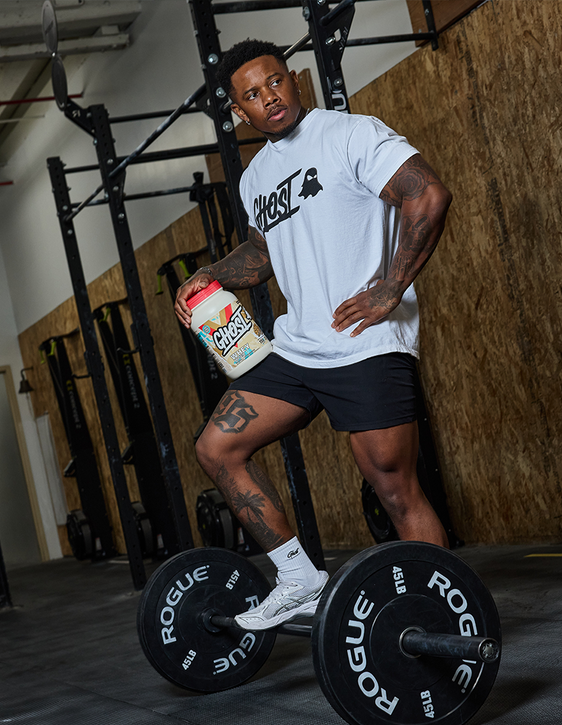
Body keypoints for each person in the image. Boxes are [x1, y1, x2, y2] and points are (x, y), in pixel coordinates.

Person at [175, 39, 452, 630]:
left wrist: (390, 287)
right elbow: (263, 254)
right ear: (239, 111)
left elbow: (426, 194)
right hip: (299, 347)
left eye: (275, 82)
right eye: (253, 94)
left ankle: (441, 618)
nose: (269, 98)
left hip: (365, 342)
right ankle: (299, 578)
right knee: (217, 448)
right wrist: (209, 275)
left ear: (294, 78)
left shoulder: (350, 135)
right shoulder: (255, 177)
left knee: (396, 490)